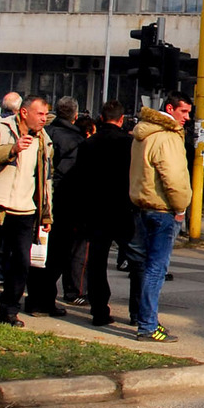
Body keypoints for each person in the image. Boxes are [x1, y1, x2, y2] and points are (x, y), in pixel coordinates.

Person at [0, 93, 55, 325]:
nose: (44, 118)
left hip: (24, 209)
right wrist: (11, 149)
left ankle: (9, 312)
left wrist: (46, 213)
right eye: (40, 114)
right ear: (24, 113)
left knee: (20, 263)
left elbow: (45, 179)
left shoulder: (44, 139)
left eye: (46, 114)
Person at [129, 93, 194, 341]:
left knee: (142, 265)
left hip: (141, 204)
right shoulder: (168, 136)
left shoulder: (144, 133)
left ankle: (141, 315)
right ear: (170, 108)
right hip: (162, 209)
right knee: (156, 268)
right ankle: (147, 325)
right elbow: (173, 176)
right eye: (183, 111)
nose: (187, 118)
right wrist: (180, 207)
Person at [73, 101, 133, 326]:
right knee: (136, 260)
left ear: (100, 117)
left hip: (95, 208)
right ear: (121, 119)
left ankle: (98, 308)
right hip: (123, 207)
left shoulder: (89, 144)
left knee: (97, 261)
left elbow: (80, 178)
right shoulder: (129, 143)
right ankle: (138, 312)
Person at [34, 96, 87, 305]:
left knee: (42, 248)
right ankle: (63, 292)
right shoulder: (76, 140)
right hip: (63, 199)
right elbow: (71, 173)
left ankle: (39, 292)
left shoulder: (45, 133)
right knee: (63, 250)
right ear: (75, 115)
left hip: (42, 196)